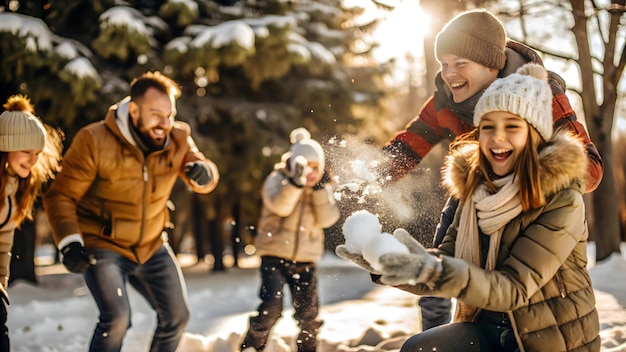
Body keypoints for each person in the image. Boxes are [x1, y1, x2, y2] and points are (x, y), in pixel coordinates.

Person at [343, 63, 601, 351]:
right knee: (421, 347)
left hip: (549, 339)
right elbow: (448, 257)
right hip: (488, 330)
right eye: (488, 127)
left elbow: (513, 288)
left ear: (534, 135)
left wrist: (435, 271)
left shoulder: (562, 200)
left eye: (512, 127)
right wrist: (388, 261)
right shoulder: (475, 193)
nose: (497, 137)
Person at [379, 8, 603, 330]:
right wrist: (365, 178)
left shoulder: (536, 94)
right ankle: (441, 340)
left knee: (510, 285)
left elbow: (591, 168)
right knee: (433, 272)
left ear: (490, 64)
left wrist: (528, 178)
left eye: (460, 64)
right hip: (474, 190)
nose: (448, 74)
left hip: (532, 195)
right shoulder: (445, 99)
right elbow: (408, 146)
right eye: (444, 63)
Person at [43, 71, 220, 352]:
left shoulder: (178, 138)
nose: (164, 123)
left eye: (169, 114)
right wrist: (69, 243)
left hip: (151, 244)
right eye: (156, 114)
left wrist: (205, 173)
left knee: (177, 316)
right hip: (104, 244)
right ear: (134, 109)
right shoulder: (94, 139)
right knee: (117, 318)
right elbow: (60, 195)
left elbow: (204, 172)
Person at [240, 127, 340, 352]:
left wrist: (320, 190)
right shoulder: (278, 179)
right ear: (295, 163)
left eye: (316, 167)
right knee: (271, 309)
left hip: (306, 260)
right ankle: (251, 346)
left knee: (308, 314)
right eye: (306, 166)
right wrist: (295, 183)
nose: (311, 172)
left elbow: (328, 219)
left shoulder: (322, 189)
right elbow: (280, 206)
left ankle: (308, 349)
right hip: (274, 257)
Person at [0, 94, 63, 350]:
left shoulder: (13, 188)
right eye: (26, 151)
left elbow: (4, 242)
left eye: (37, 152)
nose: (33, 159)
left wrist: (1, 281)